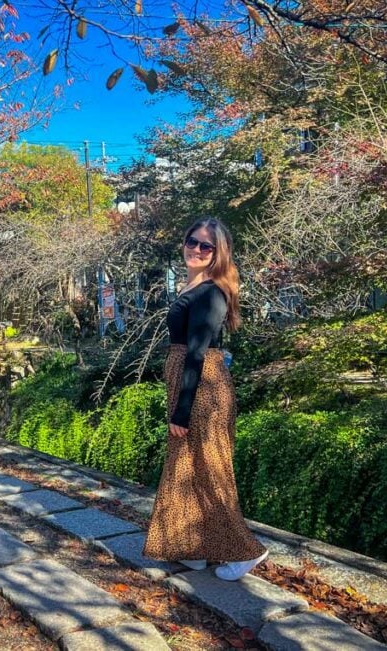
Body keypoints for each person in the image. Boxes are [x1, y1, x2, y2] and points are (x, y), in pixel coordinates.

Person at [143, 217, 269, 581]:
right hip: (189, 386)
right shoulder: (190, 287)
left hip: (203, 392)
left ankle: (247, 551)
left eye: (206, 246)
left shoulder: (211, 292)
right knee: (186, 466)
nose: (196, 250)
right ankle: (191, 545)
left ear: (218, 253)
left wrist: (181, 412)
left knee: (210, 469)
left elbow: (197, 353)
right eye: (192, 242)